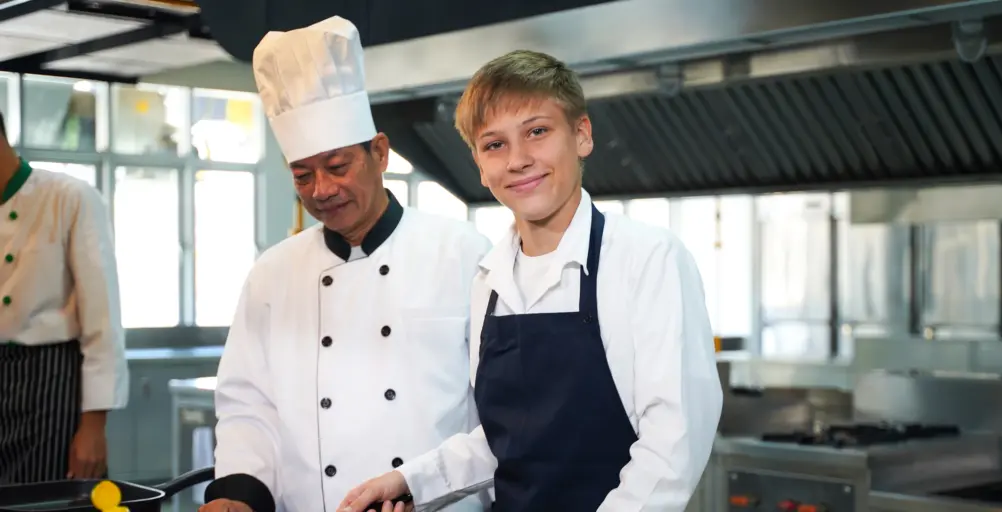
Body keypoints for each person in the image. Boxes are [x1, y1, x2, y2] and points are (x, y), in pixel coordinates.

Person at [339, 49, 724, 512]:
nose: (518, 160)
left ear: (581, 135)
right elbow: (509, 440)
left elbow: (673, 443)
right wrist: (409, 481)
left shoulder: (647, 258)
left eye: (537, 132)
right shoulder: (491, 279)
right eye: (494, 144)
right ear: (480, 166)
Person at [199, 16, 492, 512]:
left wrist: (422, 487)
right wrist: (240, 496)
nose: (322, 191)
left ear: (379, 153)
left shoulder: (464, 253)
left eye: (338, 167)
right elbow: (249, 407)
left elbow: (502, 413)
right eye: (302, 176)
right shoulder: (273, 274)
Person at [0, 111, 128, 484]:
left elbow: (102, 320)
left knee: (44, 501)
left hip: (48, 383)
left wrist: (93, 427)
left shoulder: (69, 197)